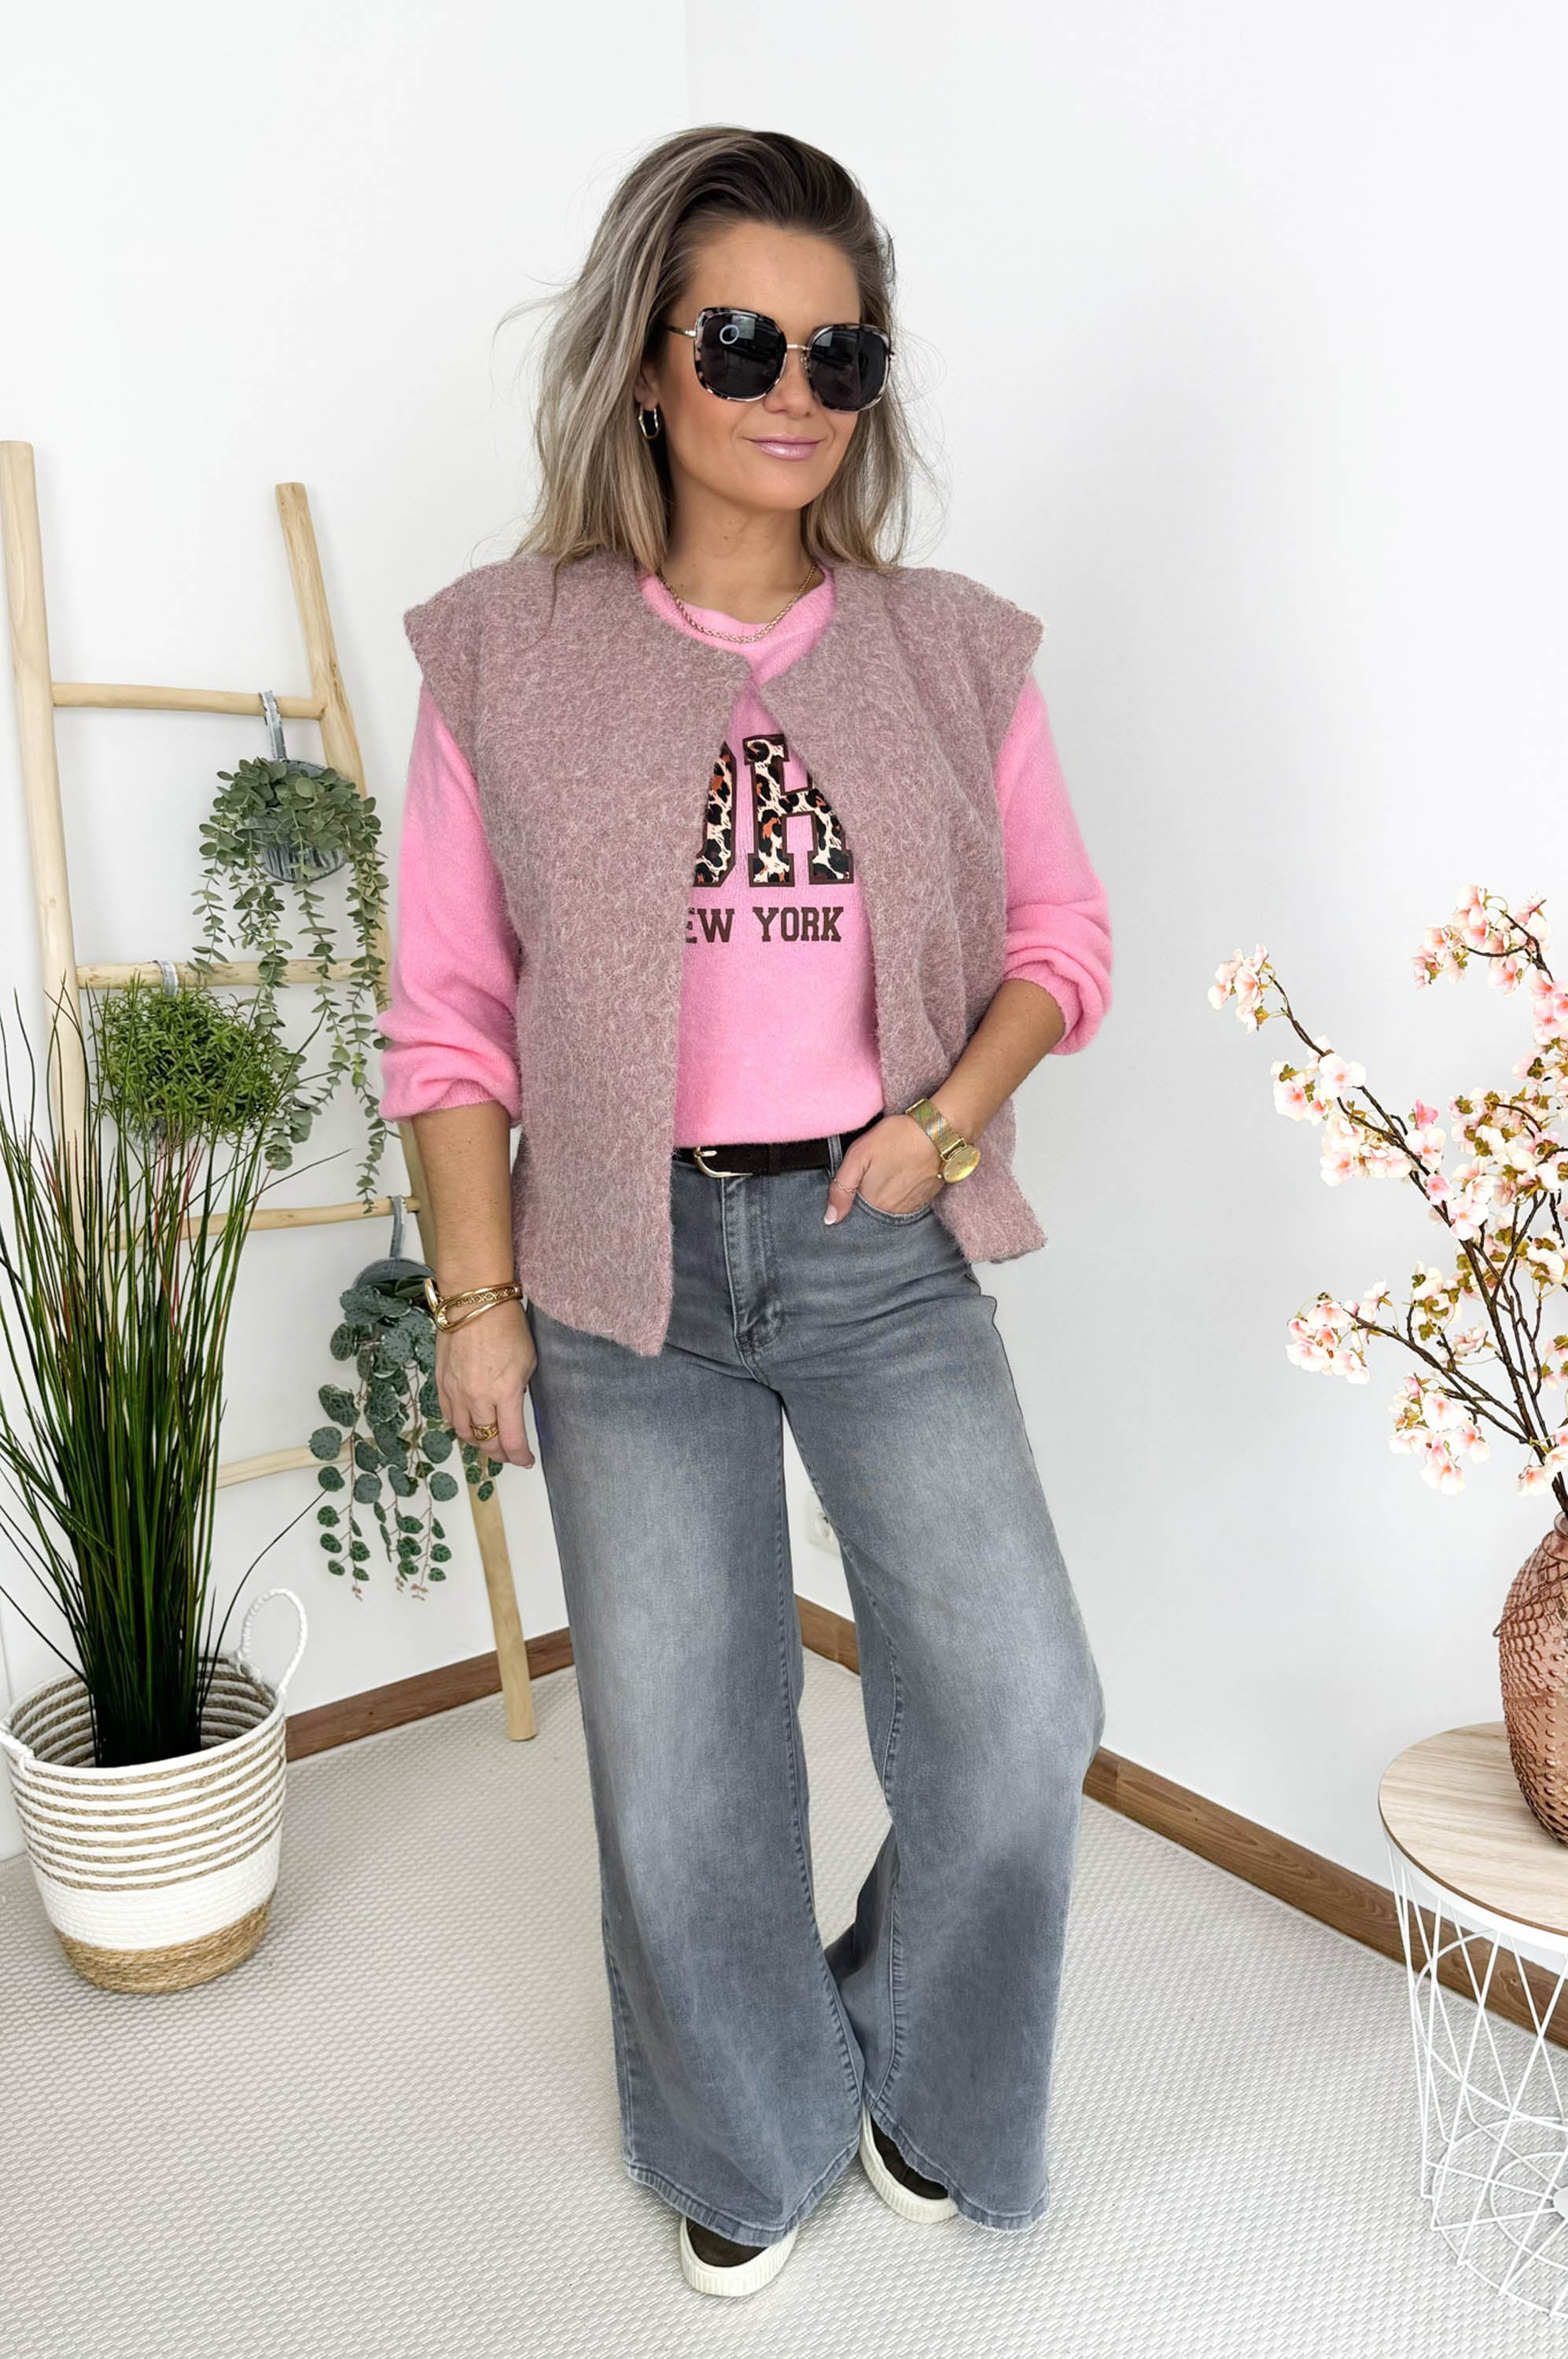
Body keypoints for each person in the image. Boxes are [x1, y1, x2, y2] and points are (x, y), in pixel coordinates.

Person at [378, 125, 1112, 2301]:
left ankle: (912, 2067)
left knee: (1021, 1713)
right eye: (739, 341)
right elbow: (447, 1015)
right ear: (644, 358)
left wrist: (947, 1125)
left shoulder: (949, 650)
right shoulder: (509, 653)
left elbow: (1059, 942)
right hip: (625, 1268)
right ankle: (743, 2123)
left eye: (838, 352)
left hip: (882, 1250)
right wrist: (476, 1303)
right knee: (684, 1769)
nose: (794, 390)